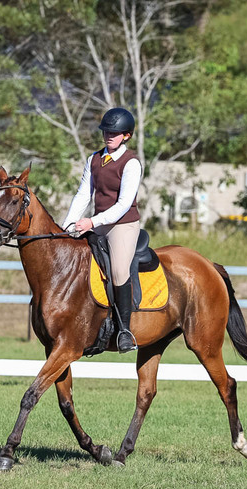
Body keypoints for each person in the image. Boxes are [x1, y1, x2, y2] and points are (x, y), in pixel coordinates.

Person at [62, 107, 142, 353]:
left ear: (126, 136)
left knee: (118, 271)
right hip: (98, 224)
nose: (109, 136)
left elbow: (123, 205)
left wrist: (91, 222)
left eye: (115, 133)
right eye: (106, 131)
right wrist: (68, 224)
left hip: (123, 225)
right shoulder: (94, 159)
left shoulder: (131, 163)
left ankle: (125, 331)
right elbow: (83, 194)